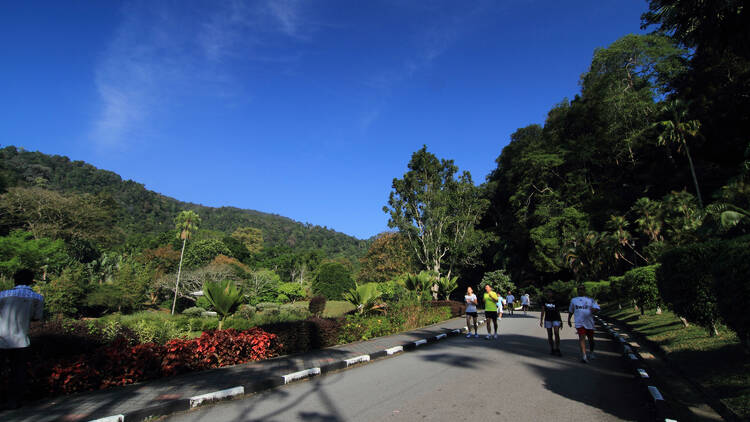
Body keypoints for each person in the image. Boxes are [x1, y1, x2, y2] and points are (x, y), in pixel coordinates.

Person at [0, 269, 44, 409]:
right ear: (31, 281)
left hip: (1, 339)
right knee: (18, 372)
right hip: (21, 340)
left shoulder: (2, 295)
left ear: (15, 280)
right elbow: (37, 317)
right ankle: (14, 401)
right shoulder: (37, 298)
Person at [568, 286, 600, 363]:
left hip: (589, 323)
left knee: (591, 339)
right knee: (582, 338)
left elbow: (597, 308)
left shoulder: (590, 300)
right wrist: (569, 319)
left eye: (582, 289)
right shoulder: (574, 300)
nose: (580, 291)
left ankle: (591, 353)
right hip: (579, 323)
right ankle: (584, 356)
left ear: (584, 291)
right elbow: (571, 311)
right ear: (577, 291)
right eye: (579, 289)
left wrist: (594, 309)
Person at [540, 290, 563, 356]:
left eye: (550, 292)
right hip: (548, 319)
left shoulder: (556, 301)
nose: (549, 294)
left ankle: (557, 348)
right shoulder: (544, 301)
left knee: (556, 333)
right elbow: (543, 311)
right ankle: (552, 348)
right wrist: (541, 320)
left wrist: (560, 321)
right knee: (550, 335)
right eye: (548, 292)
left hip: (556, 318)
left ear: (553, 294)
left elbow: (558, 311)